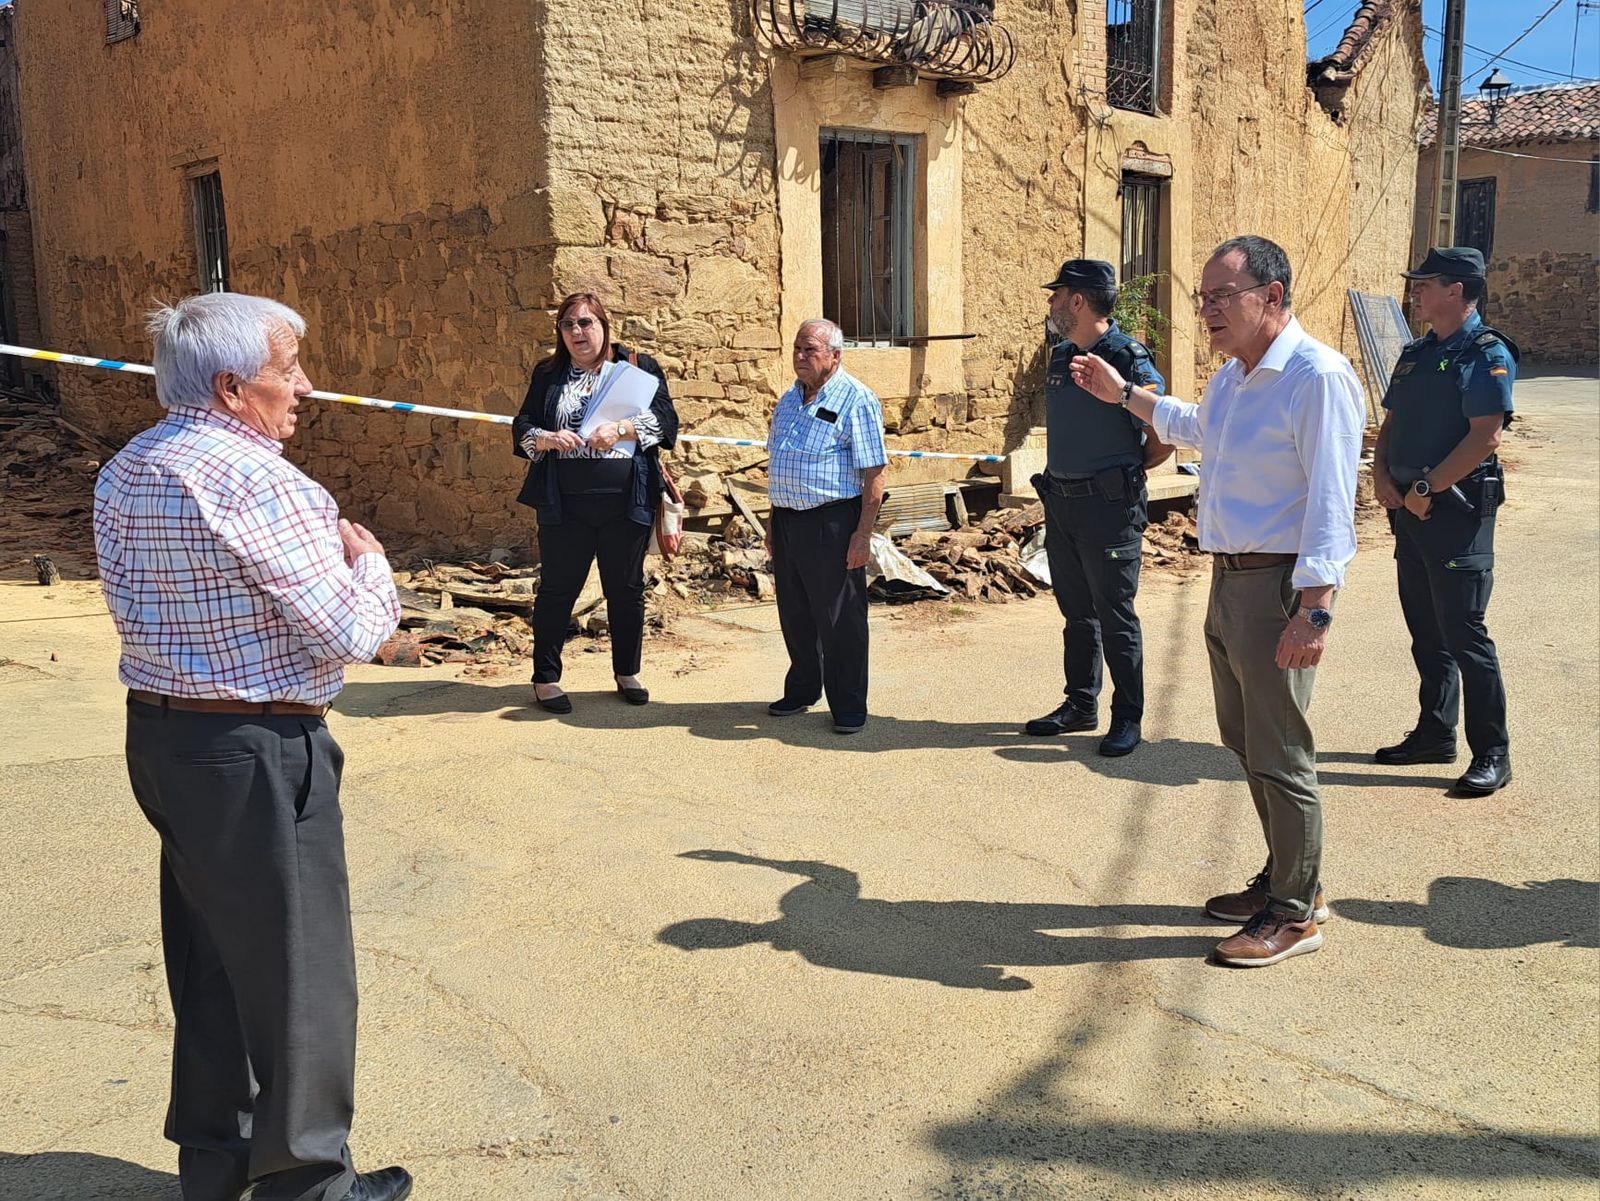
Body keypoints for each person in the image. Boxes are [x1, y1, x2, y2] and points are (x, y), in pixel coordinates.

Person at [92, 293, 410, 1201]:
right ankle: (307, 1181)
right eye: (289, 368)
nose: (303, 387)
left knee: (212, 957)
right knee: (300, 970)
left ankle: (217, 1159)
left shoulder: (128, 467)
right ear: (234, 388)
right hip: (255, 744)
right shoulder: (262, 482)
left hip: (162, 736)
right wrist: (371, 562)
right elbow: (349, 628)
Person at [1069, 236, 1365, 968]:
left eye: (1221, 297)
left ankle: (1295, 915)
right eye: (1203, 297)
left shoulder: (1315, 377)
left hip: (1280, 583)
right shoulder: (1237, 378)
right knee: (1246, 741)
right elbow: (1197, 427)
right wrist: (1125, 395)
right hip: (1231, 578)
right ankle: (1290, 878)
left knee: (1281, 750)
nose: (1206, 311)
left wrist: (1315, 606)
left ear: (1273, 296)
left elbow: (1333, 498)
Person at [1371, 247, 1516, 794]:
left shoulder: (1484, 351)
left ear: (1455, 290)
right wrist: (1383, 476)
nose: (1416, 291)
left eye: (1425, 283)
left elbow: (1486, 435)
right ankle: (1435, 733)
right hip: (1408, 510)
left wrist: (1429, 487)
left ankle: (1493, 754)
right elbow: (1392, 421)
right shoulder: (1414, 352)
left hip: (1453, 512)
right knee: (1425, 629)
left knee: (1464, 633)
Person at [1025, 259, 1172, 757]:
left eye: (1057, 294)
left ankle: (1126, 717)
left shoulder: (1126, 357)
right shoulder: (1061, 355)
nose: (1050, 303)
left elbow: (1161, 430)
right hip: (1063, 504)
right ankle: (1079, 704)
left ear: (1079, 302)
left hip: (1109, 509)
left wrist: (1127, 473)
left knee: (1115, 615)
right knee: (1076, 613)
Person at [511, 292, 679, 713]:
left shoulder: (637, 369)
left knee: (626, 589)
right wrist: (544, 438)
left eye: (586, 323)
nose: (577, 332)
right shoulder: (549, 374)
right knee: (556, 590)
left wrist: (622, 429)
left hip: (626, 502)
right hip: (564, 504)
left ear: (604, 326)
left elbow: (667, 421)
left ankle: (627, 672)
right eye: (568, 325)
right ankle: (545, 679)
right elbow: (523, 423)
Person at [764, 318, 888, 734]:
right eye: (797, 348)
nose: (800, 357)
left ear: (835, 355)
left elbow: (875, 474)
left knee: (840, 619)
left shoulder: (858, 400)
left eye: (810, 350)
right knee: (795, 613)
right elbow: (779, 463)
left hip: (833, 521)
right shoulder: (789, 399)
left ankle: (849, 703)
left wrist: (862, 534)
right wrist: (772, 520)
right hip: (788, 520)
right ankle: (802, 688)